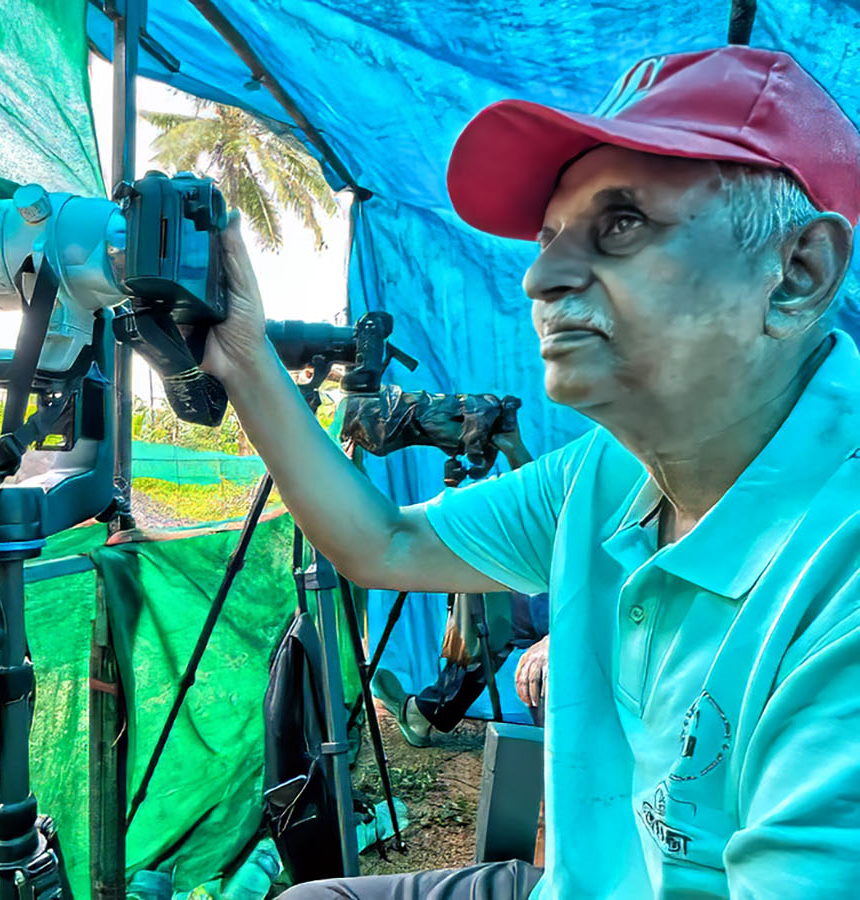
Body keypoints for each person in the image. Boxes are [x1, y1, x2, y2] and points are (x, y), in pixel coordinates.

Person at [201, 45, 860, 899]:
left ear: (798, 273)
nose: (539, 276)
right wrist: (243, 359)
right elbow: (386, 543)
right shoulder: (608, 471)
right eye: (550, 237)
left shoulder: (840, 576)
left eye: (621, 224)